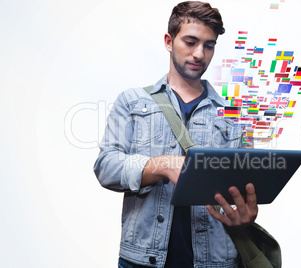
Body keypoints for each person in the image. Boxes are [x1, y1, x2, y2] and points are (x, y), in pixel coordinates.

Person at [94, 1, 258, 267]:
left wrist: (245, 212)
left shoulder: (235, 114)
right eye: (190, 42)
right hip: (142, 260)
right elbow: (106, 167)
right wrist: (161, 165)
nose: (199, 54)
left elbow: (245, 180)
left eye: (209, 45)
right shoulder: (131, 101)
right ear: (169, 41)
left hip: (216, 260)